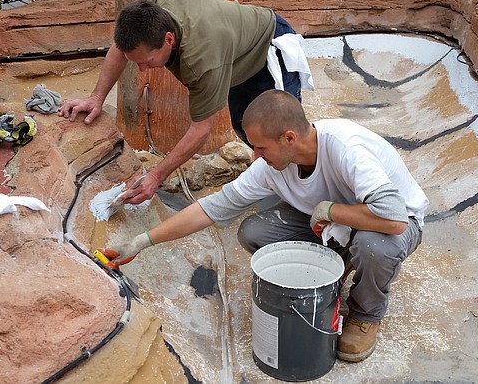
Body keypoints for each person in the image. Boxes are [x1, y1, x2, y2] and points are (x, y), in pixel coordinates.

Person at [100, 89, 429, 362]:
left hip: (394, 222)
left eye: (260, 147)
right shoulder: (272, 165)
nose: (255, 156)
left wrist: (331, 210)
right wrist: (142, 242)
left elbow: (394, 219)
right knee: (254, 232)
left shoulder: (345, 149)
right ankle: (337, 263)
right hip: (335, 220)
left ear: (288, 138)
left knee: (373, 247)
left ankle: (366, 314)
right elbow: (210, 209)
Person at [59, 0, 313, 205]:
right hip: (232, 54)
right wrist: (96, 98)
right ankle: (281, 183)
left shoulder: (201, 60)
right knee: (246, 129)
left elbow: (201, 129)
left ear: (169, 39)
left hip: (268, 47)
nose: (142, 69)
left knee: (280, 134)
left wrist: (156, 177)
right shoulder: (150, 5)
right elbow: (120, 47)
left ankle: (308, 192)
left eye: (147, 61)